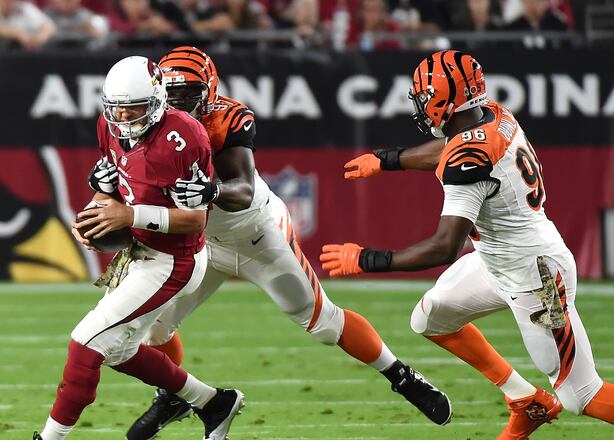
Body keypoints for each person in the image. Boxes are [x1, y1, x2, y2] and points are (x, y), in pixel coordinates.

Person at [119, 46, 452, 440]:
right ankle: (173, 395)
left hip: (256, 232)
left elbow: (241, 189)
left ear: (209, 92)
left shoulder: (228, 118)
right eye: (170, 94)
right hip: (202, 241)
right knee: (156, 327)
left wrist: (207, 190)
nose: (177, 103)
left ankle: (402, 376)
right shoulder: (142, 125)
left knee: (324, 323)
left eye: (188, 94)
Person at [331, 50, 614, 439]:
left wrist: (368, 259)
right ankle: (524, 400)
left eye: (423, 96)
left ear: (444, 100)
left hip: (538, 277)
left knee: (582, 394)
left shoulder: (469, 158)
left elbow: (444, 247)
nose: (419, 105)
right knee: (431, 317)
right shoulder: (495, 114)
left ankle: (539, 401)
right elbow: (450, 148)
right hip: (500, 259)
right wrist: (387, 160)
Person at [33, 56, 244, 440]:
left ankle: (49, 438)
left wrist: (128, 216)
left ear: (158, 100)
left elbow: (195, 220)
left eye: (135, 107)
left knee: (86, 343)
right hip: (139, 252)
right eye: (118, 108)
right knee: (118, 351)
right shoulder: (108, 126)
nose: (125, 117)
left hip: (176, 259)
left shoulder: (185, 136)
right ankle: (213, 402)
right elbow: (109, 193)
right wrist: (94, 216)